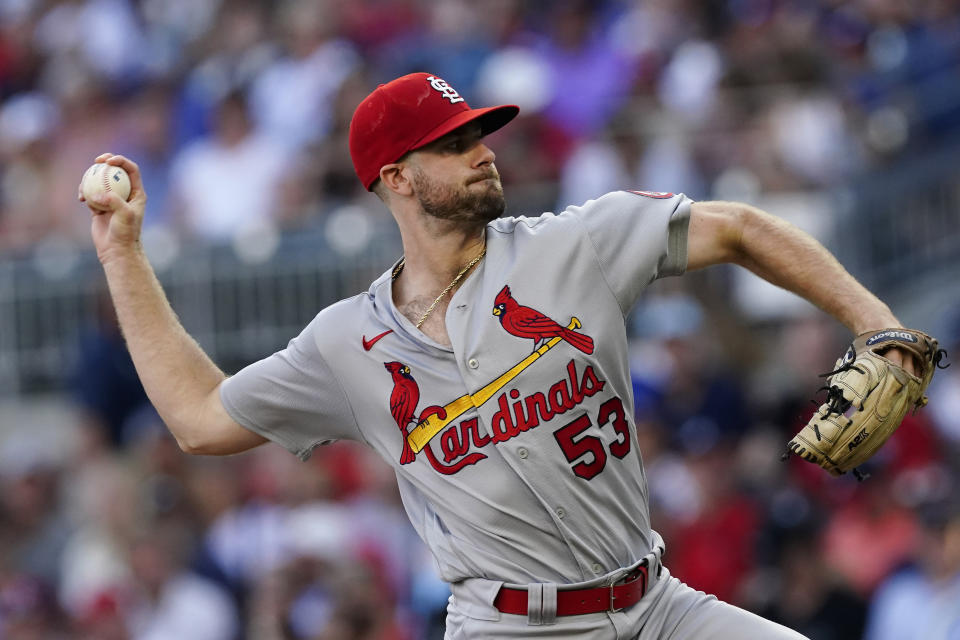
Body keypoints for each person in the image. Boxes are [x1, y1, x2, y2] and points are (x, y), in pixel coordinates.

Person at [80, 72, 919, 639]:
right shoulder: (347, 343)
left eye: (479, 131)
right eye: (454, 142)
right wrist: (122, 253)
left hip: (659, 606)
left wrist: (875, 323)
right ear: (396, 179)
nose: (483, 148)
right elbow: (197, 418)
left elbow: (737, 226)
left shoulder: (572, 245)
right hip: (512, 627)